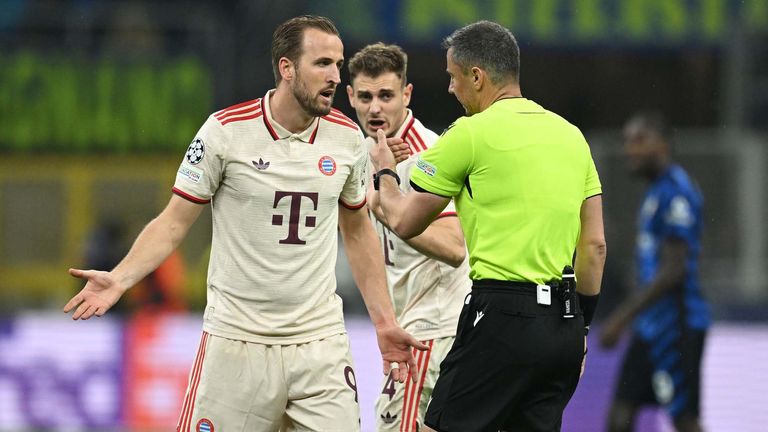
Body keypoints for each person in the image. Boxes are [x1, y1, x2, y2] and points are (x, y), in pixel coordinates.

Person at [63, 15, 426, 432]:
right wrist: (121, 278)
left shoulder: (345, 138)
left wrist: (383, 322)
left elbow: (359, 231)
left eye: (337, 65)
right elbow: (174, 223)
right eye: (322, 64)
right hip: (237, 343)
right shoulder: (224, 133)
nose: (333, 77)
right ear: (287, 68)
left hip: (319, 345)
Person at [368, 21, 607, 432]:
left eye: (453, 77)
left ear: (476, 77)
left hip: (501, 316)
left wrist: (385, 173)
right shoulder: (572, 137)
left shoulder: (471, 134)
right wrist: (581, 326)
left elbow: (405, 221)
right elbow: (595, 247)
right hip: (564, 326)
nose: (450, 88)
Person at [346, 43, 472, 432]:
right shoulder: (368, 151)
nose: (375, 108)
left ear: (407, 94)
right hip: (412, 327)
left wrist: (382, 202)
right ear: (350, 96)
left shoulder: (426, 155)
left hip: (432, 330)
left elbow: (454, 248)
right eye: (365, 97)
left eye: (386, 96)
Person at [600, 112, 709, 432]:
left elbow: (674, 271)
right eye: (626, 141)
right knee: (619, 416)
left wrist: (622, 316)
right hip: (651, 327)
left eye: (638, 140)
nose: (629, 149)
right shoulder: (655, 193)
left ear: (662, 144)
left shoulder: (676, 193)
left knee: (684, 419)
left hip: (676, 325)